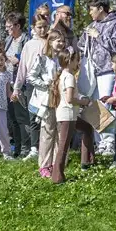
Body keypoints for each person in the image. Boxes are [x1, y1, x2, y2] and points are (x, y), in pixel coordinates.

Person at [49, 49, 95, 184]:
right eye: (76, 60)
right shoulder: (69, 77)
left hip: (69, 114)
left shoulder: (63, 75)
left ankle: (86, 161)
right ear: (69, 61)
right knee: (63, 146)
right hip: (68, 115)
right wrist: (83, 102)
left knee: (87, 128)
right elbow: (70, 99)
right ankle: (57, 177)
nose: (78, 63)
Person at [13, 17, 50, 161]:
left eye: (45, 27)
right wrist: (17, 87)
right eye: (39, 27)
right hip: (32, 84)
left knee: (47, 115)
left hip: (47, 83)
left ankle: (47, 146)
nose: (42, 30)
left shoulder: (51, 41)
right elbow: (23, 67)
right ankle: (34, 148)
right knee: (33, 115)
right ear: (33, 28)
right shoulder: (29, 45)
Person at [37, 31, 69, 178]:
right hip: (48, 99)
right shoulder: (43, 59)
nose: (61, 44)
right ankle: (44, 165)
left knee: (60, 131)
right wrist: (46, 84)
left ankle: (57, 163)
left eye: (63, 41)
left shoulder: (64, 58)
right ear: (50, 42)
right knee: (48, 131)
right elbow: (31, 76)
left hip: (61, 99)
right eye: (58, 41)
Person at [4, 12, 30, 158]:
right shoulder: (8, 40)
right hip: (9, 82)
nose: (7, 29)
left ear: (18, 26)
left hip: (21, 83)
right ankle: (18, 149)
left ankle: (26, 149)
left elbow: (25, 60)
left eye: (9, 26)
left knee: (22, 118)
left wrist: (17, 60)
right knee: (13, 118)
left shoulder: (26, 40)